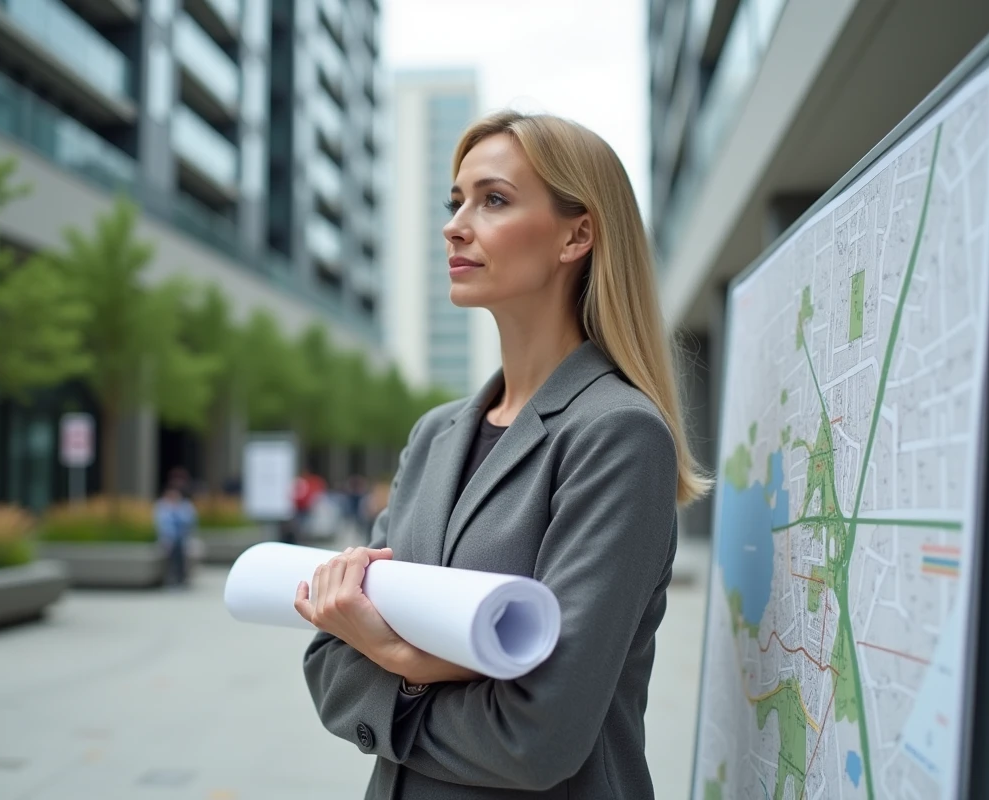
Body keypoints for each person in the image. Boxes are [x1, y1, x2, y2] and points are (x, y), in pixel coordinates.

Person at [293, 111, 709, 799]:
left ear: (578, 234)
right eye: (455, 201)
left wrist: (394, 657)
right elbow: (329, 667)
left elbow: (538, 738)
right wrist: (445, 667)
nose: (455, 224)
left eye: (493, 199)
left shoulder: (617, 434)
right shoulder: (434, 436)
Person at [154, 484, 196, 588]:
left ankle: (181, 578)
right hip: (168, 539)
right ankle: (171, 578)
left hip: (182, 539)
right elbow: (162, 525)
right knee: (171, 551)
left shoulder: (184, 506)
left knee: (181, 550)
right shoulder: (162, 506)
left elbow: (189, 521)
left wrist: (176, 511)